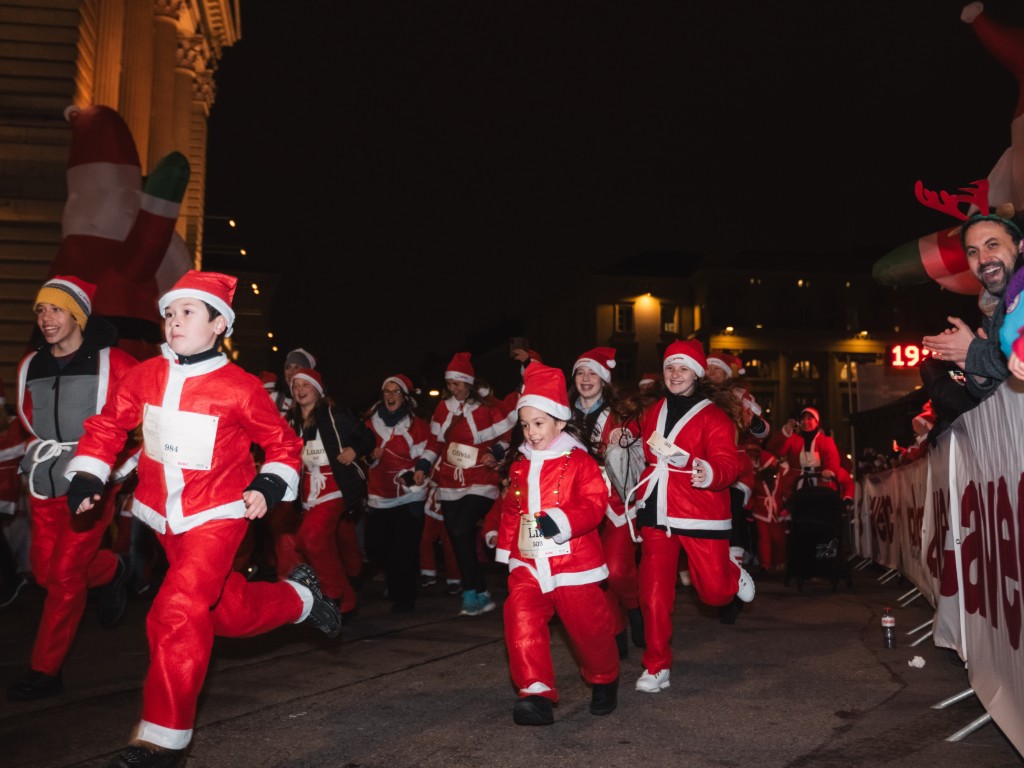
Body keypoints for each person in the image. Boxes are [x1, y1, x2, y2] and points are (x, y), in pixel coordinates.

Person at [63, 270, 341, 768]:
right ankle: (300, 598)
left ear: (219, 324)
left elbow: (282, 443)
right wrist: (88, 474)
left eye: (188, 312)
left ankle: (161, 742)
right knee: (221, 614)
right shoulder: (144, 375)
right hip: (164, 519)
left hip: (218, 514)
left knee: (175, 611)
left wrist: (269, 483)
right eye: (169, 313)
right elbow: (108, 425)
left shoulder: (240, 386)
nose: (173, 322)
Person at [7, 276, 138, 702]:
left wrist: (120, 468)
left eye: (56, 309)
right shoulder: (30, 364)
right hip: (44, 482)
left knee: (64, 578)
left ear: (78, 314)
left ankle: (46, 670)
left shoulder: (115, 362)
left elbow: (146, 420)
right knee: (45, 573)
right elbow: (27, 423)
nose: (46, 319)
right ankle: (114, 569)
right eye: (41, 310)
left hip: (91, 484)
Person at [491, 362, 619, 725]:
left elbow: (595, 503)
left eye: (539, 423)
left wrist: (561, 521)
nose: (530, 432)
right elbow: (512, 508)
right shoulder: (519, 464)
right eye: (525, 424)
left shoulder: (579, 461)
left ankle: (604, 678)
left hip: (574, 563)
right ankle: (535, 693)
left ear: (560, 421)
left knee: (589, 629)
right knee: (521, 618)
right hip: (529, 561)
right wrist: (504, 546)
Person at [628, 339, 755, 693]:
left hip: (700, 511)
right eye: (670, 367)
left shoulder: (715, 416)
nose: (675, 374)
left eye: (683, 368)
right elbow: (642, 452)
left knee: (715, 595)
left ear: (697, 374)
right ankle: (656, 666)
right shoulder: (652, 412)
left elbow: (730, 464)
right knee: (652, 594)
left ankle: (731, 571)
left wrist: (708, 471)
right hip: (657, 508)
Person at [422, 352, 515, 617]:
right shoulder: (443, 408)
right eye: (450, 384)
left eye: (458, 384)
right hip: (450, 481)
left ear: (469, 383)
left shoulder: (488, 407)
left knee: (462, 528)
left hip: (481, 479)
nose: (454, 389)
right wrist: (423, 466)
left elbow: (505, 437)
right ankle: (476, 592)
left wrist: (494, 453)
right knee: (456, 537)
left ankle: (475, 591)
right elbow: (434, 442)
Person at [568, 346, 645, 657]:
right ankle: (616, 631)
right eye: (581, 372)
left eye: (593, 373)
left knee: (616, 570)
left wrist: (626, 440)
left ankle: (636, 607)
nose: (587, 378)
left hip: (616, 503)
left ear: (604, 379)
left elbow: (642, 441)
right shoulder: (560, 412)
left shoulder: (620, 412)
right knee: (593, 575)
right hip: (576, 504)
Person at [289, 367, 374, 621]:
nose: (300, 390)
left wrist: (353, 450)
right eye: (296, 386)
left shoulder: (334, 414)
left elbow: (367, 438)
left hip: (335, 485)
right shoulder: (291, 420)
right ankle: (347, 602)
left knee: (310, 538)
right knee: (322, 544)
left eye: (305, 385)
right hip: (307, 490)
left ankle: (332, 593)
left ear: (317, 389)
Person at [922, 212, 1023, 408]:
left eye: (992, 244)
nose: (983, 259)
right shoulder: (992, 308)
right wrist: (971, 367)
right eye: (972, 252)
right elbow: (997, 396)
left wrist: (973, 352)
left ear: (1020, 246)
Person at [363, 374, 432, 612]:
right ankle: (395, 582)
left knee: (404, 548)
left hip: (409, 494)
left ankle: (405, 597)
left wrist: (417, 470)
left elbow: (429, 452)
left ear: (404, 397)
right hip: (379, 495)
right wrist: (370, 457)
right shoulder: (370, 424)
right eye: (387, 392)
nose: (391, 396)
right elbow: (359, 454)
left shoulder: (417, 425)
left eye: (396, 392)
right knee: (376, 546)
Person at [0, 387, 28, 608]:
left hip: (5, 489)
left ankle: (13, 579)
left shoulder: (13, 424)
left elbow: (17, 449)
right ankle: (12, 579)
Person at [767, 407, 841, 491]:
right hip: (794, 485)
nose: (805, 422)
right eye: (803, 419)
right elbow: (773, 450)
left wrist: (829, 471)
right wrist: (784, 433)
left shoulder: (826, 441)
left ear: (817, 422)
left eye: (809, 419)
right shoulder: (793, 439)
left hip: (819, 485)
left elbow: (832, 459)